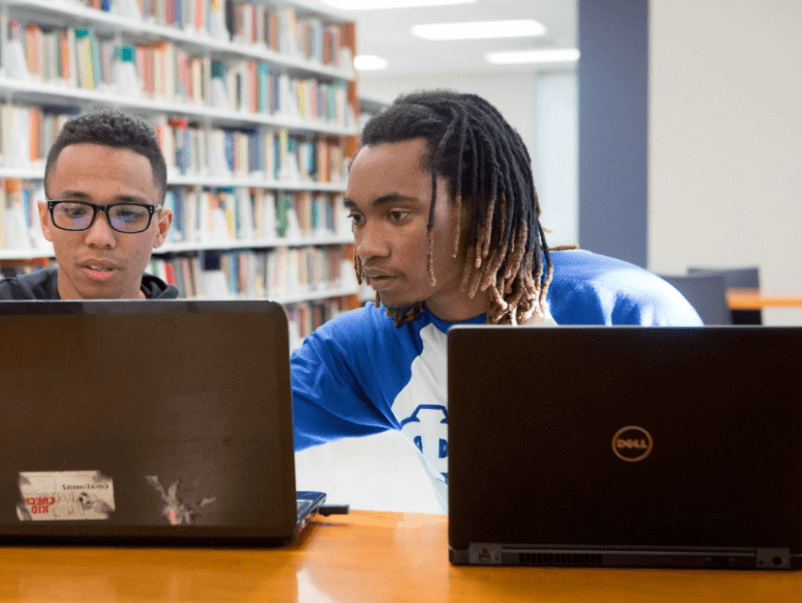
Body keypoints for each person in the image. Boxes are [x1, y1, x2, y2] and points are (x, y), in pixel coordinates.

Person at [290, 90, 702, 510]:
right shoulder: (367, 345)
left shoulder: (627, 309)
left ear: (485, 208)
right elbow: (239, 432)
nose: (366, 248)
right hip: (477, 570)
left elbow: (722, 474)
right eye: (357, 218)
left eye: (398, 215)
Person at [0, 109, 176, 514]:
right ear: (45, 220)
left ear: (161, 227)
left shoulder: (200, 351)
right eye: (75, 211)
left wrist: (8, 483)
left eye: (127, 214)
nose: (99, 237)